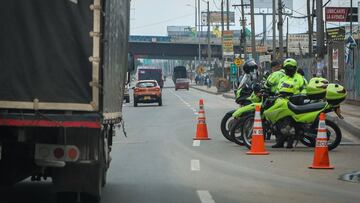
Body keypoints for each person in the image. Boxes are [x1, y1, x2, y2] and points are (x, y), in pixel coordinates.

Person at [272, 58, 307, 149]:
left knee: (291, 122)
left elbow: (304, 88)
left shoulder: (299, 78)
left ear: (295, 68)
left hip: (296, 102)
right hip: (283, 102)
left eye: (291, 67)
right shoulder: (283, 78)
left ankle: (290, 142)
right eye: (287, 68)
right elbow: (278, 89)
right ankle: (280, 141)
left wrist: (301, 96)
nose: (289, 69)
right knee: (278, 121)